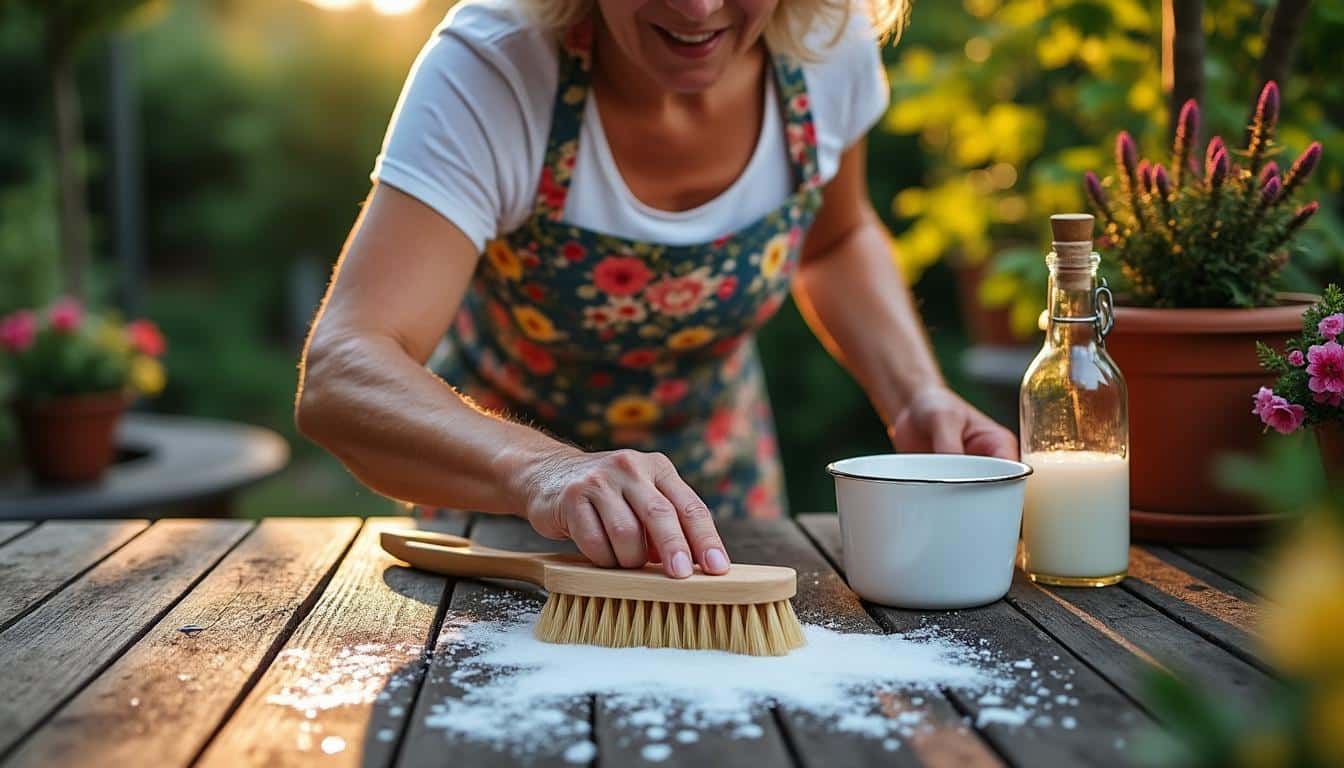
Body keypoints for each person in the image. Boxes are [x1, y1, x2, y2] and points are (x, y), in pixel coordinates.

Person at [296, 0, 1018, 581]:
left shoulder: (828, 43)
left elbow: (835, 240)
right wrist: (546, 472)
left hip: (724, 513)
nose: (699, 8)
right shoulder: (495, 66)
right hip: (503, 521)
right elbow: (342, 370)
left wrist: (914, 393)